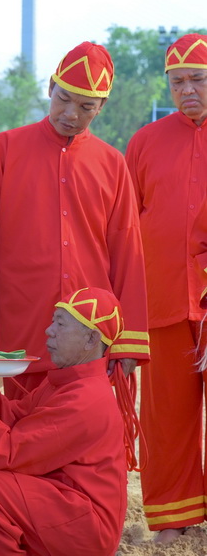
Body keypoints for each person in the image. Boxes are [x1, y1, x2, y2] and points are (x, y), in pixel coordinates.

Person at [0, 41, 149, 398]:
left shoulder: (113, 164)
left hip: (91, 335)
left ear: (101, 106)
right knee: (22, 426)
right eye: (63, 98)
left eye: (86, 106)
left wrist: (128, 340)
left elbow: (127, 250)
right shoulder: (5, 148)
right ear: (50, 87)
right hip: (26, 324)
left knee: (87, 430)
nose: (71, 113)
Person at [0, 287, 128, 556]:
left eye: (60, 324)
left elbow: (12, 451)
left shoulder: (86, 397)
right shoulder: (70, 381)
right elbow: (16, 420)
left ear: (91, 339)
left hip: (84, 525)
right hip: (62, 503)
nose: (49, 330)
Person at [125, 32, 207, 543]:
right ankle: (174, 521)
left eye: (197, 79)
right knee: (166, 419)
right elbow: (125, 222)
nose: (186, 90)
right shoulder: (145, 142)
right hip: (162, 302)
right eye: (177, 82)